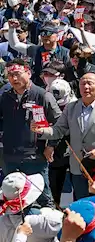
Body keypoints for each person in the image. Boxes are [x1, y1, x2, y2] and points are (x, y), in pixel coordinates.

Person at [36, 71, 95, 202]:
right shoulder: (71, 107)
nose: (86, 87)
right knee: (82, 207)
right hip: (78, 167)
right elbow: (58, 130)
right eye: (83, 83)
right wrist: (41, 130)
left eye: (90, 83)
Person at [1, 60, 60, 207]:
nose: (14, 79)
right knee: (12, 200)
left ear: (28, 73)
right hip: (10, 156)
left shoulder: (42, 96)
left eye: (17, 74)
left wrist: (51, 145)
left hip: (35, 156)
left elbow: (60, 123)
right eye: (10, 75)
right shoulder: (4, 97)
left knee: (43, 198)